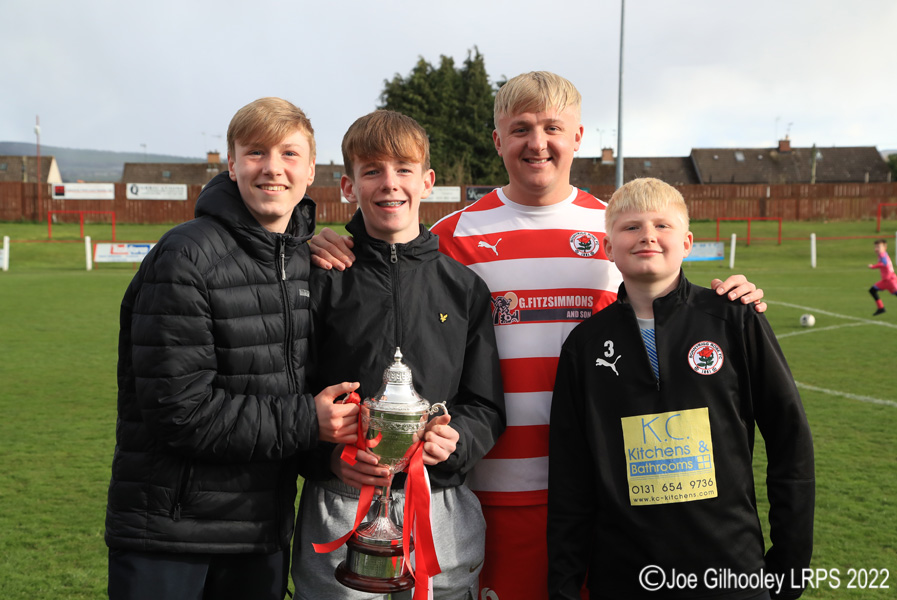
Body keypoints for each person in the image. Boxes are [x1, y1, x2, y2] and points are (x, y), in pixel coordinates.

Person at [310, 71, 767, 600]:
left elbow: (676, 308)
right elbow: (394, 274)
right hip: (496, 486)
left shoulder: (619, 229)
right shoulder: (451, 236)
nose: (538, 142)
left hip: (615, 484)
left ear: (577, 136)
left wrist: (733, 299)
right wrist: (327, 244)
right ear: (498, 139)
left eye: (553, 127)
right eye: (521, 128)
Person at [105, 97, 360, 600]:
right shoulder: (185, 255)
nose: (272, 169)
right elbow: (180, 411)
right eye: (255, 153)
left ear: (312, 170)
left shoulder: (304, 263)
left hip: (260, 534)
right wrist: (310, 421)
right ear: (231, 163)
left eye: (289, 155)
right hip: (171, 535)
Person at [548, 178, 815, 600]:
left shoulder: (735, 320)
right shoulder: (584, 346)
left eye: (662, 225)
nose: (648, 236)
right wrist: (564, 587)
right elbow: (570, 478)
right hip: (625, 579)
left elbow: (790, 440)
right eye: (631, 227)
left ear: (687, 242)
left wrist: (790, 566)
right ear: (607, 247)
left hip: (731, 572)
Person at [292, 110, 505, 600]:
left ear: (427, 181)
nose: (390, 184)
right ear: (348, 185)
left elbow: (487, 405)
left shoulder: (464, 289)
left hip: (440, 505)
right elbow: (289, 395)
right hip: (342, 504)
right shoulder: (320, 279)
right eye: (372, 171)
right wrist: (327, 459)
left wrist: (458, 440)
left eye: (404, 169)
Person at [868, 238, 897, 315]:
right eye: (876, 247)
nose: (876, 249)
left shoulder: (882, 255)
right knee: (872, 290)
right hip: (885, 281)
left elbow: (884, 263)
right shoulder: (883, 254)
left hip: (890, 280)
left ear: (885, 247)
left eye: (879, 247)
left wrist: (873, 266)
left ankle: (881, 308)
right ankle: (881, 308)